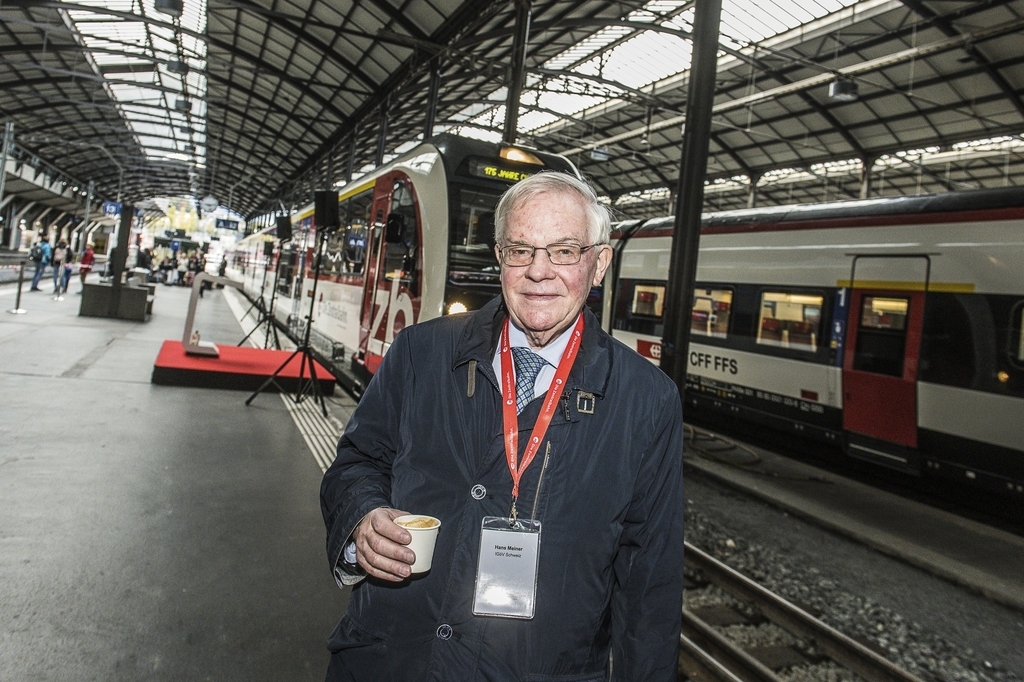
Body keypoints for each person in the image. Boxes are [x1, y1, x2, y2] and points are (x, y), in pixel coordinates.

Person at [320, 172, 684, 681]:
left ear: (598, 264)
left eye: (563, 251)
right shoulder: (421, 353)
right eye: (520, 250)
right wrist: (362, 517)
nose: (539, 272)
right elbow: (356, 464)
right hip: (391, 661)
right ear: (499, 257)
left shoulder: (647, 400)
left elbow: (651, 585)